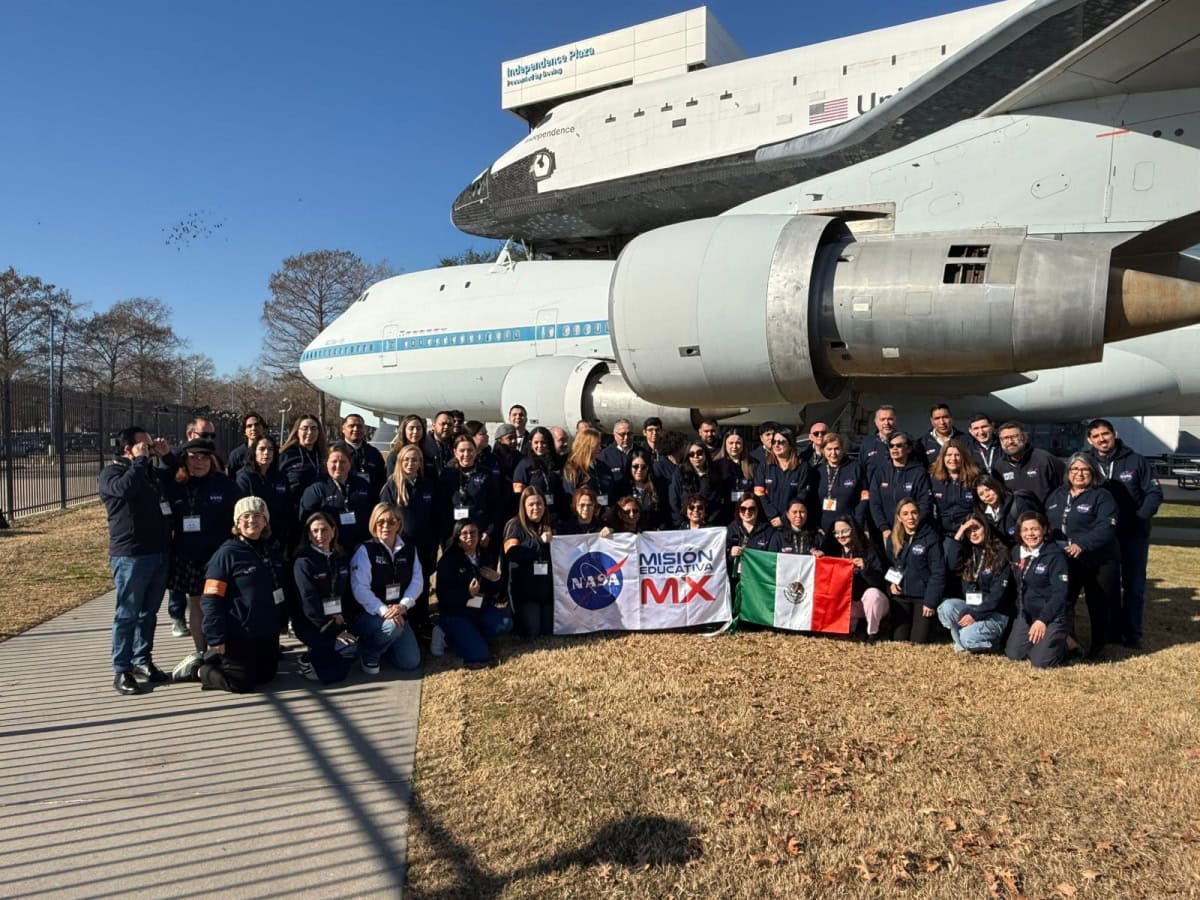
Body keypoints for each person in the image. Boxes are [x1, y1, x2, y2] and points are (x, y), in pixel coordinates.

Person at [100, 425, 173, 695]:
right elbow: (126, 489)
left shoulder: (149, 472)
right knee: (127, 614)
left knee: (148, 613)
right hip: (131, 555)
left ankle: (143, 659)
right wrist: (140, 461)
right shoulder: (112, 473)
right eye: (143, 445)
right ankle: (122, 668)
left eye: (149, 445)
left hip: (158, 552)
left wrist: (166, 456)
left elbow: (174, 480)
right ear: (127, 449)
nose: (148, 449)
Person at [166, 438, 241, 680]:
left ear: (212, 460)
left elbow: (239, 515)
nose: (199, 462)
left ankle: (223, 649)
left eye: (204, 457)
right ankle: (201, 651)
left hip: (219, 556)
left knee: (221, 603)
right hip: (189, 556)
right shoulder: (176, 484)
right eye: (193, 457)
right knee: (197, 603)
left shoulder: (224, 485)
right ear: (185, 460)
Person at [1083, 417, 1162, 647]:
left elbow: (1154, 493)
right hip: (1103, 536)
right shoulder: (1085, 462)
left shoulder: (1136, 460)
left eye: (1105, 434)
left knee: (1133, 584)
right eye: (1096, 436)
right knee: (1107, 585)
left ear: (1114, 434)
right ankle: (1111, 632)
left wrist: (1140, 518)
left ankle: (1132, 633)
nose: (1102, 439)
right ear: (1089, 440)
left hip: (1133, 534)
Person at [197, 496, 288, 693]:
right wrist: (215, 636)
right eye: (245, 516)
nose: (251, 520)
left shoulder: (271, 549)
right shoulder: (227, 554)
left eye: (257, 515)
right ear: (237, 523)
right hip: (238, 632)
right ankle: (200, 669)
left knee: (267, 676)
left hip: (266, 631)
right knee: (241, 683)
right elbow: (211, 598)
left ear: (265, 521)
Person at [1044, 453, 1120, 659]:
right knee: (1065, 601)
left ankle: (1099, 646)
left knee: (1098, 602)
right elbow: (1046, 522)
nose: (1079, 473)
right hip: (1066, 559)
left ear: (1093, 472)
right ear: (1068, 472)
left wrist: (1082, 544)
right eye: (1075, 469)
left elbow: (1107, 526)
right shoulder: (1057, 495)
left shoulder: (1102, 496)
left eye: (1085, 469)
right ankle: (1070, 643)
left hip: (1098, 559)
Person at [348, 503, 422, 674]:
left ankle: (385, 646)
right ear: (374, 523)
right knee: (392, 627)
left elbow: (417, 581)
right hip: (369, 614)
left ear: (399, 524)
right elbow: (360, 589)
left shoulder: (410, 549)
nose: (385, 526)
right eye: (380, 522)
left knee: (410, 662)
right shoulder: (365, 550)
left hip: (398, 612)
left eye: (391, 521)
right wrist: (384, 611)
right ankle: (369, 653)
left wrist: (403, 605)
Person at [379, 444, 438, 639]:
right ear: (400, 462)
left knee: (422, 584)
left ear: (420, 463)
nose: (410, 463)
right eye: (406, 459)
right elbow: (384, 517)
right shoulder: (391, 487)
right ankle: (405, 624)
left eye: (415, 460)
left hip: (425, 545)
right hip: (401, 547)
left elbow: (436, 514)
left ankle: (422, 622)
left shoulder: (428, 485)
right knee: (404, 584)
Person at [436, 519, 512, 667]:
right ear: (457, 537)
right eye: (464, 534)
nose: (469, 537)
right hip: (456, 613)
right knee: (480, 656)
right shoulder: (448, 560)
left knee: (506, 623)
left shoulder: (484, 555)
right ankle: (444, 635)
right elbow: (443, 597)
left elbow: (494, 593)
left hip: (480, 610)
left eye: (473, 533)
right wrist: (468, 594)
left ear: (479, 534)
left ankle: (471, 634)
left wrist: (497, 580)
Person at [292, 512, 356, 684]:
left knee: (352, 649)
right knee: (335, 674)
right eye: (315, 531)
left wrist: (343, 619)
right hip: (313, 623)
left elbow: (346, 593)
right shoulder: (303, 561)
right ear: (308, 535)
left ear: (333, 531)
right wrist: (333, 628)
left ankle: (324, 654)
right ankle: (307, 660)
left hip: (338, 617)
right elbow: (309, 601)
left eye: (324, 529)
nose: (320, 535)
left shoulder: (341, 556)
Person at [936, 517, 1013, 653]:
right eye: (968, 531)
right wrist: (959, 533)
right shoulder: (969, 551)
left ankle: (994, 643)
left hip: (995, 613)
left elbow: (997, 595)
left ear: (986, 528)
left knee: (968, 638)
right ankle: (962, 644)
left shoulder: (1001, 553)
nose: (973, 534)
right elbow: (952, 565)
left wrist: (976, 615)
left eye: (976, 528)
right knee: (946, 607)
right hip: (972, 607)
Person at [1005, 511, 1070, 668]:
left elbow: (1060, 593)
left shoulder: (1055, 556)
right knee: (1014, 654)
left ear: (1044, 529)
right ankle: (1043, 641)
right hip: (1027, 614)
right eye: (1025, 530)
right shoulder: (1016, 552)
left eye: (1035, 529)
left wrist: (1043, 620)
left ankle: (1065, 643)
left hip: (1051, 615)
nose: (1030, 534)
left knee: (1040, 662)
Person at [885, 498, 945, 644]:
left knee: (919, 642)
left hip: (922, 598)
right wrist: (891, 583)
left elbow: (938, 572)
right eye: (905, 514)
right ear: (899, 517)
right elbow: (891, 564)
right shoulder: (893, 539)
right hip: (901, 597)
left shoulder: (930, 538)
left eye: (914, 513)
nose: (910, 517)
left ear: (919, 514)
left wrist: (930, 602)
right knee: (898, 641)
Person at [299, 443, 375, 554]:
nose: (338, 466)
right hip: (330, 549)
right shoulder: (317, 488)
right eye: (334, 461)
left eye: (343, 462)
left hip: (361, 548)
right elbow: (306, 521)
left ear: (350, 463)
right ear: (327, 463)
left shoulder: (362, 485)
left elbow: (374, 513)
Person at [825, 517, 889, 643]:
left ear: (853, 530)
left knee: (872, 594)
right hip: (848, 603)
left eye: (845, 531)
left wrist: (865, 568)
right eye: (836, 533)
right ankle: (853, 627)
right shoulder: (833, 552)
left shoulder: (869, 550)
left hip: (873, 602)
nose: (840, 536)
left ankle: (873, 633)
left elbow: (880, 582)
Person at [437, 435, 505, 549]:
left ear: (476, 451)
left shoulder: (486, 475)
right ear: (455, 452)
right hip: (454, 536)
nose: (466, 454)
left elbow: (496, 506)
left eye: (470, 450)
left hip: (479, 535)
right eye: (462, 450)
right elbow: (440, 507)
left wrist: (488, 532)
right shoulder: (447, 475)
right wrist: (446, 535)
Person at [504, 487, 555, 637]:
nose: (536, 508)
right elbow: (511, 553)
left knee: (549, 630)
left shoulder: (550, 525)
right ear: (523, 506)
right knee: (532, 632)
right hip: (525, 591)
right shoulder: (514, 525)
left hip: (546, 589)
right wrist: (539, 541)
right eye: (531, 504)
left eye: (539, 504)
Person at [868, 432, 933, 543]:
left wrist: (911, 526)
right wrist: (884, 527)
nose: (894, 449)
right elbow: (875, 503)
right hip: (888, 532)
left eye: (899, 445)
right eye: (891, 446)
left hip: (912, 531)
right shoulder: (880, 472)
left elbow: (924, 503)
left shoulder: (918, 473)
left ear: (908, 449)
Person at [929, 439, 981, 571]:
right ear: (942, 457)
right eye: (949, 455)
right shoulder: (934, 478)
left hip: (970, 531)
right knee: (949, 564)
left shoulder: (974, 477)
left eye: (957, 455)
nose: (953, 459)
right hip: (946, 533)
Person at [235, 436, 294, 552]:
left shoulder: (280, 477)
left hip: (278, 535)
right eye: (262, 449)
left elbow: (287, 506)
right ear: (254, 452)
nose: (266, 453)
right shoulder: (245, 477)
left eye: (270, 449)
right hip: (255, 533)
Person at [993, 421, 1064, 510]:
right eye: (1005, 438)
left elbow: (1064, 488)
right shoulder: (999, 466)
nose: (1010, 441)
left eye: (1015, 436)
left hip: (1044, 515)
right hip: (1016, 517)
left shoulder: (1045, 460)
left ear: (1025, 437)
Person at [754, 429, 812, 531]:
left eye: (781, 442)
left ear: (790, 444)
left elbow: (802, 495)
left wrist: (784, 518)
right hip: (767, 522)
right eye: (774, 442)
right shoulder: (764, 466)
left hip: (792, 522)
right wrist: (773, 515)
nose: (777, 445)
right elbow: (759, 493)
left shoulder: (802, 467)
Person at [813, 432, 867, 539]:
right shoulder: (817, 471)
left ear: (843, 449)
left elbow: (864, 496)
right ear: (823, 450)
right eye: (829, 449)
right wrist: (815, 525)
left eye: (837, 448)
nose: (833, 453)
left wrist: (857, 521)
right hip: (822, 529)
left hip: (848, 528)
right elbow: (811, 501)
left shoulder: (855, 468)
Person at [512, 426, 565, 519]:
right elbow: (518, 493)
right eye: (536, 442)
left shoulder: (557, 462)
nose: (540, 446)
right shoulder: (524, 464)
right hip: (535, 513)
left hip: (556, 512)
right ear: (530, 443)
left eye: (543, 442)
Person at [671, 440, 725, 527]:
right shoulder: (680, 474)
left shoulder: (715, 474)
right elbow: (674, 501)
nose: (696, 456)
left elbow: (717, 502)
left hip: (711, 525)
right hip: (686, 526)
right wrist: (682, 523)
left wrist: (709, 522)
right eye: (692, 454)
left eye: (699, 453)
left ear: (705, 454)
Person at [972, 473, 1033, 547]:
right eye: (981, 494)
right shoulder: (983, 514)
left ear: (996, 487)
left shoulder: (1017, 503)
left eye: (988, 489)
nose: (986, 495)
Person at [279, 414, 328, 500]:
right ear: (297, 431)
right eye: (305, 428)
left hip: (321, 503)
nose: (309, 432)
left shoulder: (324, 453)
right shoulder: (287, 454)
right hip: (293, 503)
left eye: (313, 428)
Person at [726, 494, 774, 581]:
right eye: (743, 509)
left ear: (758, 509)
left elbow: (771, 559)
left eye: (751, 509)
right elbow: (721, 558)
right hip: (735, 578)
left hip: (757, 579)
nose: (747, 512)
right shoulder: (731, 529)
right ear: (738, 510)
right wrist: (730, 554)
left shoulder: (768, 531)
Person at [340, 414, 387, 497]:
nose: (356, 429)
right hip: (344, 499)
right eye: (351, 426)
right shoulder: (335, 452)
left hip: (370, 500)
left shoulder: (373, 453)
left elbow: (382, 479)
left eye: (359, 426)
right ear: (343, 429)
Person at [562, 428, 611, 507]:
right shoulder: (573, 469)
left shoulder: (603, 466)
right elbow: (571, 494)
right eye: (597, 445)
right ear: (587, 446)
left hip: (604, 510)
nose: (600, 448)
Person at [714, 431, 756, 523]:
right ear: (725, 445)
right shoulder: (716, 465)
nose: (734, 446)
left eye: (738, 443)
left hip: (747, 512)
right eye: (731, 443)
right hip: (724, 513)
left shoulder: (753, 464)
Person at [626, 450, 667, 530]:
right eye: (635, 466)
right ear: (629, 467)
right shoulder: (622, 488)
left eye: (643, 467)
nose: (639, 470)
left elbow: (664, 513)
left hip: (652, 532)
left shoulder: (657, 487)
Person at [597, 419, 636, 500]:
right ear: (614, 434)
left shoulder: (641, 453)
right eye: (622, 434)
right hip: (615, 502)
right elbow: (601, 485)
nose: (626, 438)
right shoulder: (605, 456)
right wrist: (604, 505)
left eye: (629, 434)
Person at [859, 405, 899, 481]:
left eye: (890, 419)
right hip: (873, 488)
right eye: (882, 419)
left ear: (895, 420)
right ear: (876, 422)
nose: (886, 423)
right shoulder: (867, 443)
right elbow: (861, 471)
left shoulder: (906, 442)